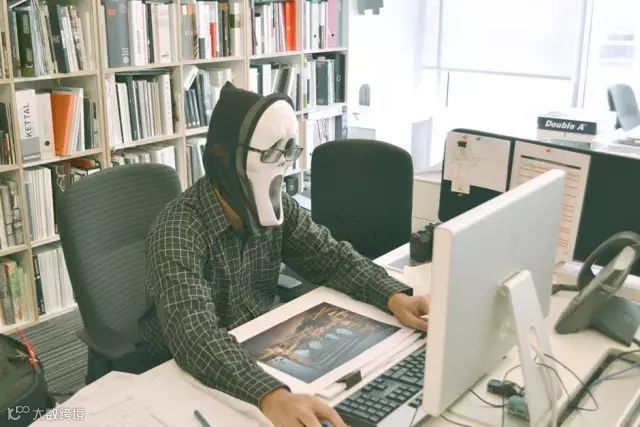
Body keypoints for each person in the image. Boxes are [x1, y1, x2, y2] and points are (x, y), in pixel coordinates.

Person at [139, 82, 429, 427]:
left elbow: (330, 257)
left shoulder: (277, 209)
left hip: (258, 351)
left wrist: (392, 296)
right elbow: (195, 337)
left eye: (287, 151)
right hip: (183, 376)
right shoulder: (178, 230)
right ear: (224, 158)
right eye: (270, 153)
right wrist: (269, 395)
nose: (282, 166)